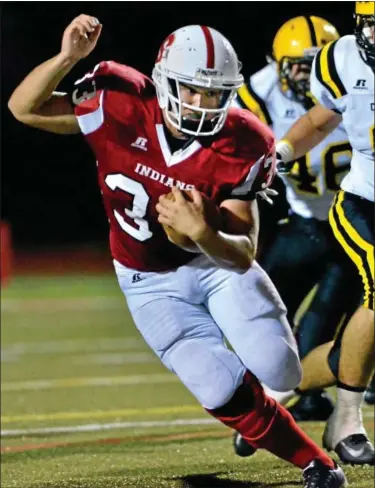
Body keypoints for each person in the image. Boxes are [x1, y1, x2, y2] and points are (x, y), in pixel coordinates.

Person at [8, 15, 347, 487]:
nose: (201, 103)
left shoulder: (245, 140)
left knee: (281, 371)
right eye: (191, 90)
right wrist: (68, 59)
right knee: (214, 383)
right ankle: (317, 463)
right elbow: (24, 107)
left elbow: (243, 251)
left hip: (215, 267)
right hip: (147, 279)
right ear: (165, 80)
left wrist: (201, 232)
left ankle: (282, 390)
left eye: (214, 93)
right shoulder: (118, 101)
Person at [232, 16, 362, 437]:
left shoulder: (354, 78)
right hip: (303, 220)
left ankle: (308, 393)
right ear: (277, 64)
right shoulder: (259, 92)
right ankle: (254, 389)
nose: (305, 75)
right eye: (297, 66)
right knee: (264, 307)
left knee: (326, 315)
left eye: (313, 64)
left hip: (353, 214)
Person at [259, 1, 374, 466]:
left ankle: (279, 393)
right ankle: (347, 419)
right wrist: (279, 152)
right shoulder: (342, 58)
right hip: (365, 202)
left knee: (363, 336)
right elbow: (322, 117)